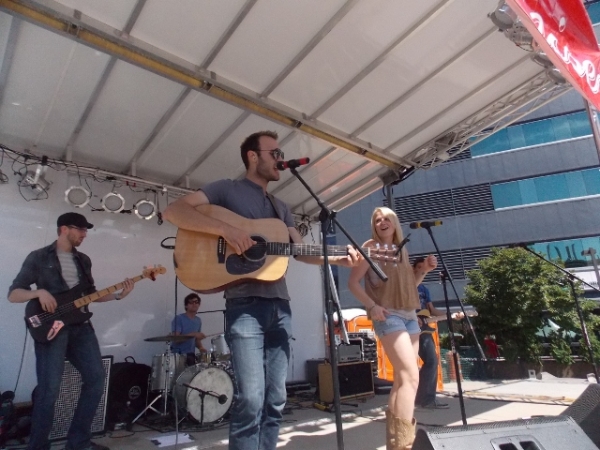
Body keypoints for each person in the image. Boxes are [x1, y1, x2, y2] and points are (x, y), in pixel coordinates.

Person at [163, 130, 359, 450]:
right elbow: (174, 211)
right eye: (274, 153)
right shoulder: (226, 189)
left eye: (281, 154)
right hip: (244, 307)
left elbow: (300, 251)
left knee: (276, 398)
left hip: (280, 307)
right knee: (251, 398)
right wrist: (227, 230)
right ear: (253, 157)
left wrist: (338, 259)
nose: (281, 159)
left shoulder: (281, 207)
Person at [8, 212, 135, 450]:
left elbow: (89, 295)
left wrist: (118, 295)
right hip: (51, 327)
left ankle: (78, 442)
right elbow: (14, 294)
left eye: (86, 230)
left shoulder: (83, 260)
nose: (85, 234)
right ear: (64, 229)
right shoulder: (38, 257)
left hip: (81, 328)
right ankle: (38, 446)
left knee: (96, 379)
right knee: (49, 390)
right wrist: (38, 292)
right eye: (81, 229)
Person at [348, 207, 437, 450]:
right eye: (378, 220)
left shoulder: (402, 250)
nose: (382, 222)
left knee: (402, 378)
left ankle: (395, 444)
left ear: (395, 222)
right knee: (410, 377)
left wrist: (424, 271)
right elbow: (353, 282)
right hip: (387, 315)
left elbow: (408, 286)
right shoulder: (370, 247)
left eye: (387, 218)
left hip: (409, 315)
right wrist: (371, 306)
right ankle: (404, 444)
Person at [171, 293, 206, 366]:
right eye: (191, 302)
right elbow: (176, 339)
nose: (194, 304)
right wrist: (194, 334)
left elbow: (196, 340)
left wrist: (201, 348)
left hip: (191, 354)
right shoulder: (179, 318)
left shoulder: (198, 320)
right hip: (178, 355)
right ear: (186, 306)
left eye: (196, 302)